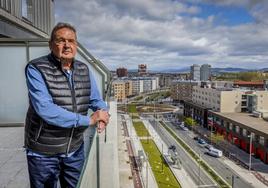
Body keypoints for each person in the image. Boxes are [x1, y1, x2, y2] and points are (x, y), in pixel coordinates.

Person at [24, 22, 110, 188]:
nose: (67, 45)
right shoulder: (36, 68)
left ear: (76, 45)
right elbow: (45, 109)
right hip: (44, 153)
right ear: (51, 44)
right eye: (60, 40)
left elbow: (95, 99)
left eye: (71, 41)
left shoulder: (84, 69)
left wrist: (103, 113)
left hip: (75, 149)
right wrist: (89, 120)